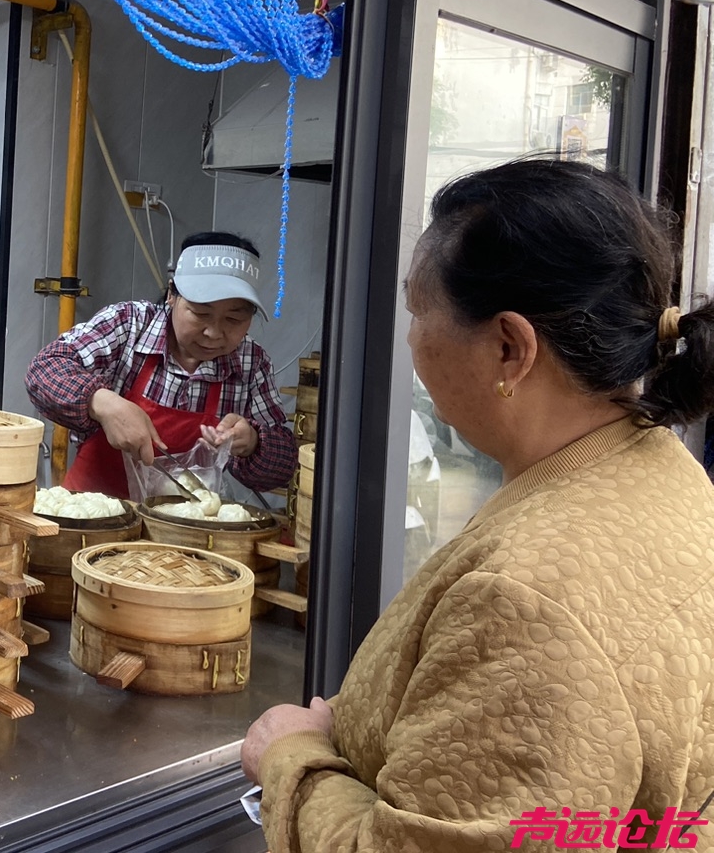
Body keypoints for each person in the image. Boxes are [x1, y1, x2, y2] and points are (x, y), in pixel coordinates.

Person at [241, 159, 714, 851]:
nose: (411, 340)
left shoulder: (526, 603)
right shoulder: (663, 471)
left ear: (509, 348)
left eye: (417, 312)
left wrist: (292, 756)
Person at [25, 231, 297, 498]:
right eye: (201, 313)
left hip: (184, 521)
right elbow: (45, 370)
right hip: (92, 512)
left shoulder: (251, 362)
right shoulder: (129, 324)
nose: (213, 333)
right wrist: (103, 403)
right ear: (172, 295)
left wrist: (253, 443)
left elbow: (284, 466)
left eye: (234, 319)